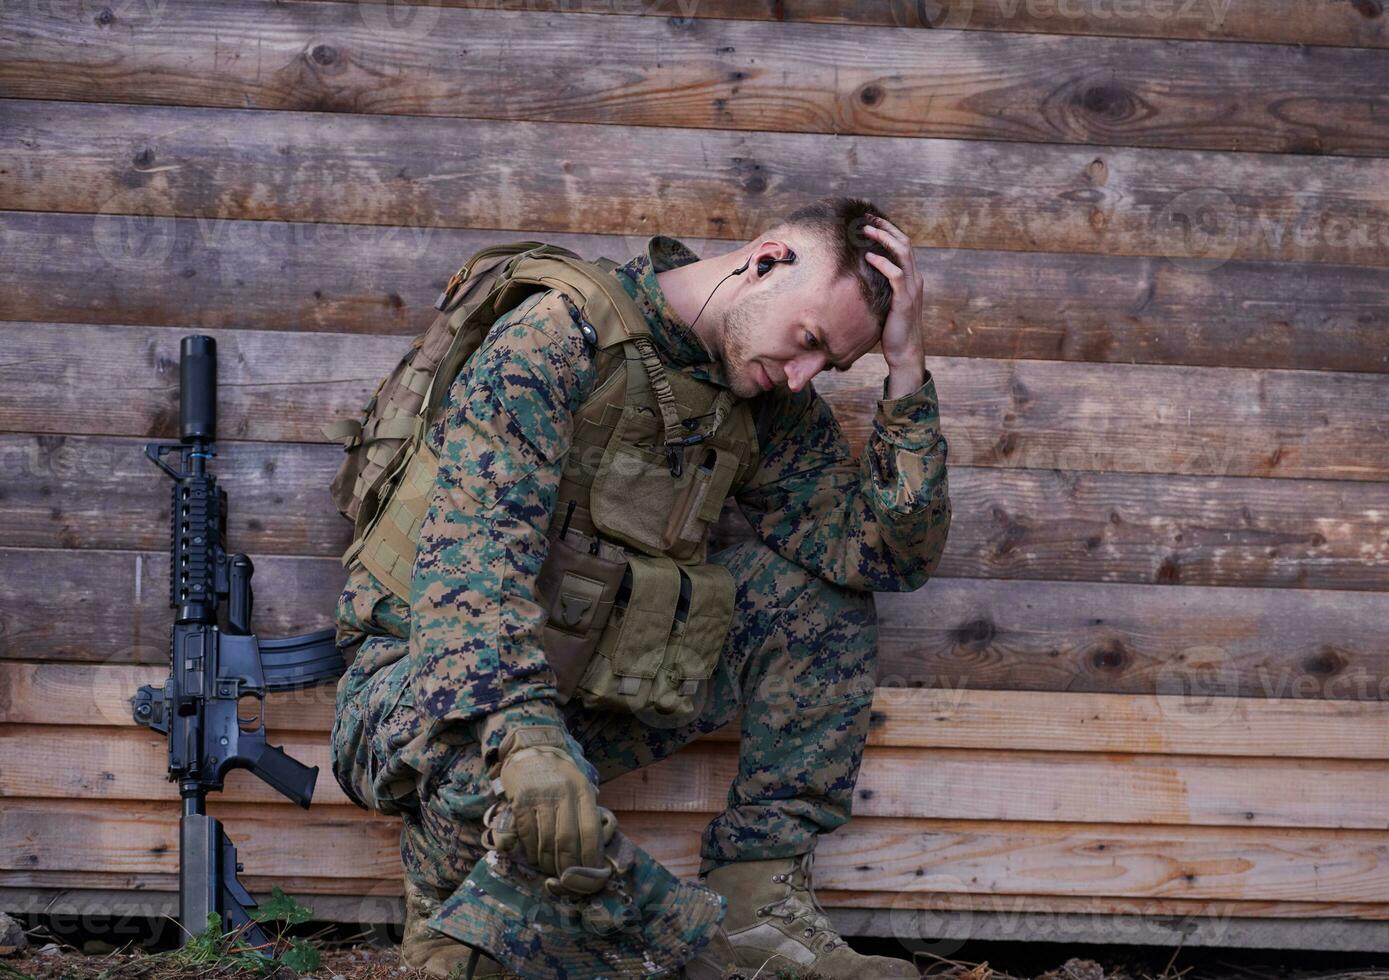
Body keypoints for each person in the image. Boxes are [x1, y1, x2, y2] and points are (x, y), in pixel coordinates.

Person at [330, 196, 951, 978]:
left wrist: (906, 370)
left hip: (587, 693)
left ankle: (758, 908)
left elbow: (883, 555)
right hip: (425, 686)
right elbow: (472, 577)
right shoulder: (557, 335)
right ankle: (467, 922)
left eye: (829, 366)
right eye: (810, 343)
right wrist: (527, 744)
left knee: (815, 595)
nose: (801, 379)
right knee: (505, 772)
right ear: (765, 261)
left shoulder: (760, 397)